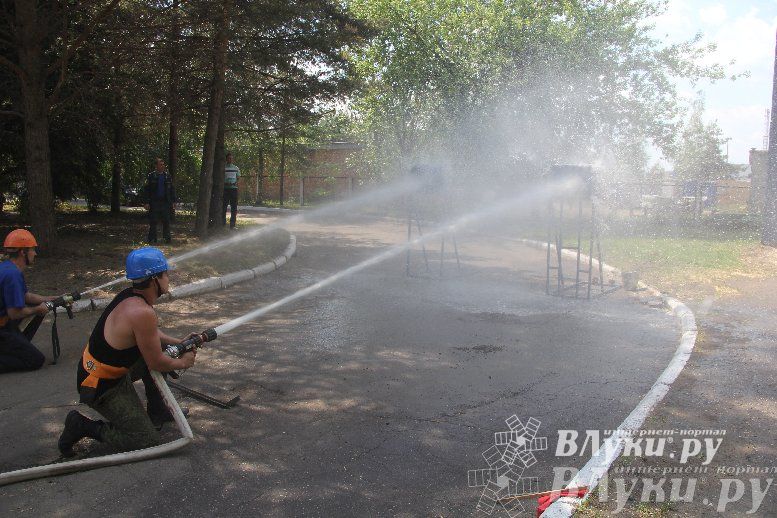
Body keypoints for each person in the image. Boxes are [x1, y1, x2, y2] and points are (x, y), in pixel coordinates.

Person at [58, 247, 196, 457]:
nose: (169, 277)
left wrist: (179, 342)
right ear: (154, 279)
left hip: (102, 370)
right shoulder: (142, 312)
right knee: (145, 440)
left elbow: (149, 335)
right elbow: (156, 363)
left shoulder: (131, 296)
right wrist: (184, 362)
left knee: (164, 348)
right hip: (102, 386)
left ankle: (158, 410)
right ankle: (82, 426)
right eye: (165, 273)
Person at [0, 229, 55, 374]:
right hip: (3, 327)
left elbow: (25, 297)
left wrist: (50, 299)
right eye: (32, 250)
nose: (35, 253)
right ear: (23, 252)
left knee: (21, 341)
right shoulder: (13, 275)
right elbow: (14, 313)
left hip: (4, 323)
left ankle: (14, 345)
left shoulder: (8, 268)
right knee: (35, 360)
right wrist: (38, 309)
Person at [144, 158, 176, 243]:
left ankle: (167, 238)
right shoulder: (151, 176)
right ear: (156, 166)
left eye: (163, 164)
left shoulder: (167, 176)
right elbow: (147, 190)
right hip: (154, 202)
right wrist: (146, 202)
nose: (162, 166)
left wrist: (173, 201)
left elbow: (172, 189)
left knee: (166, 221)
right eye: (160, 164)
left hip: (165, 202)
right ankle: (152, 239)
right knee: (153, 221)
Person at [223, 153, 240, 229]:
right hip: (225, 189)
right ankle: (222, 224)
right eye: (229, 158)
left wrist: (234, 183)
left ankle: (232, 225)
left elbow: (238, 178)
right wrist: (225, 183)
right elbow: (221, 178)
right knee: (223, 207)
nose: (230, 159)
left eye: (231, 158)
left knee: (234, 208)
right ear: (226, 159)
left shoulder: (236, 168)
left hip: (234, 189)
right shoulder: (223, 168)